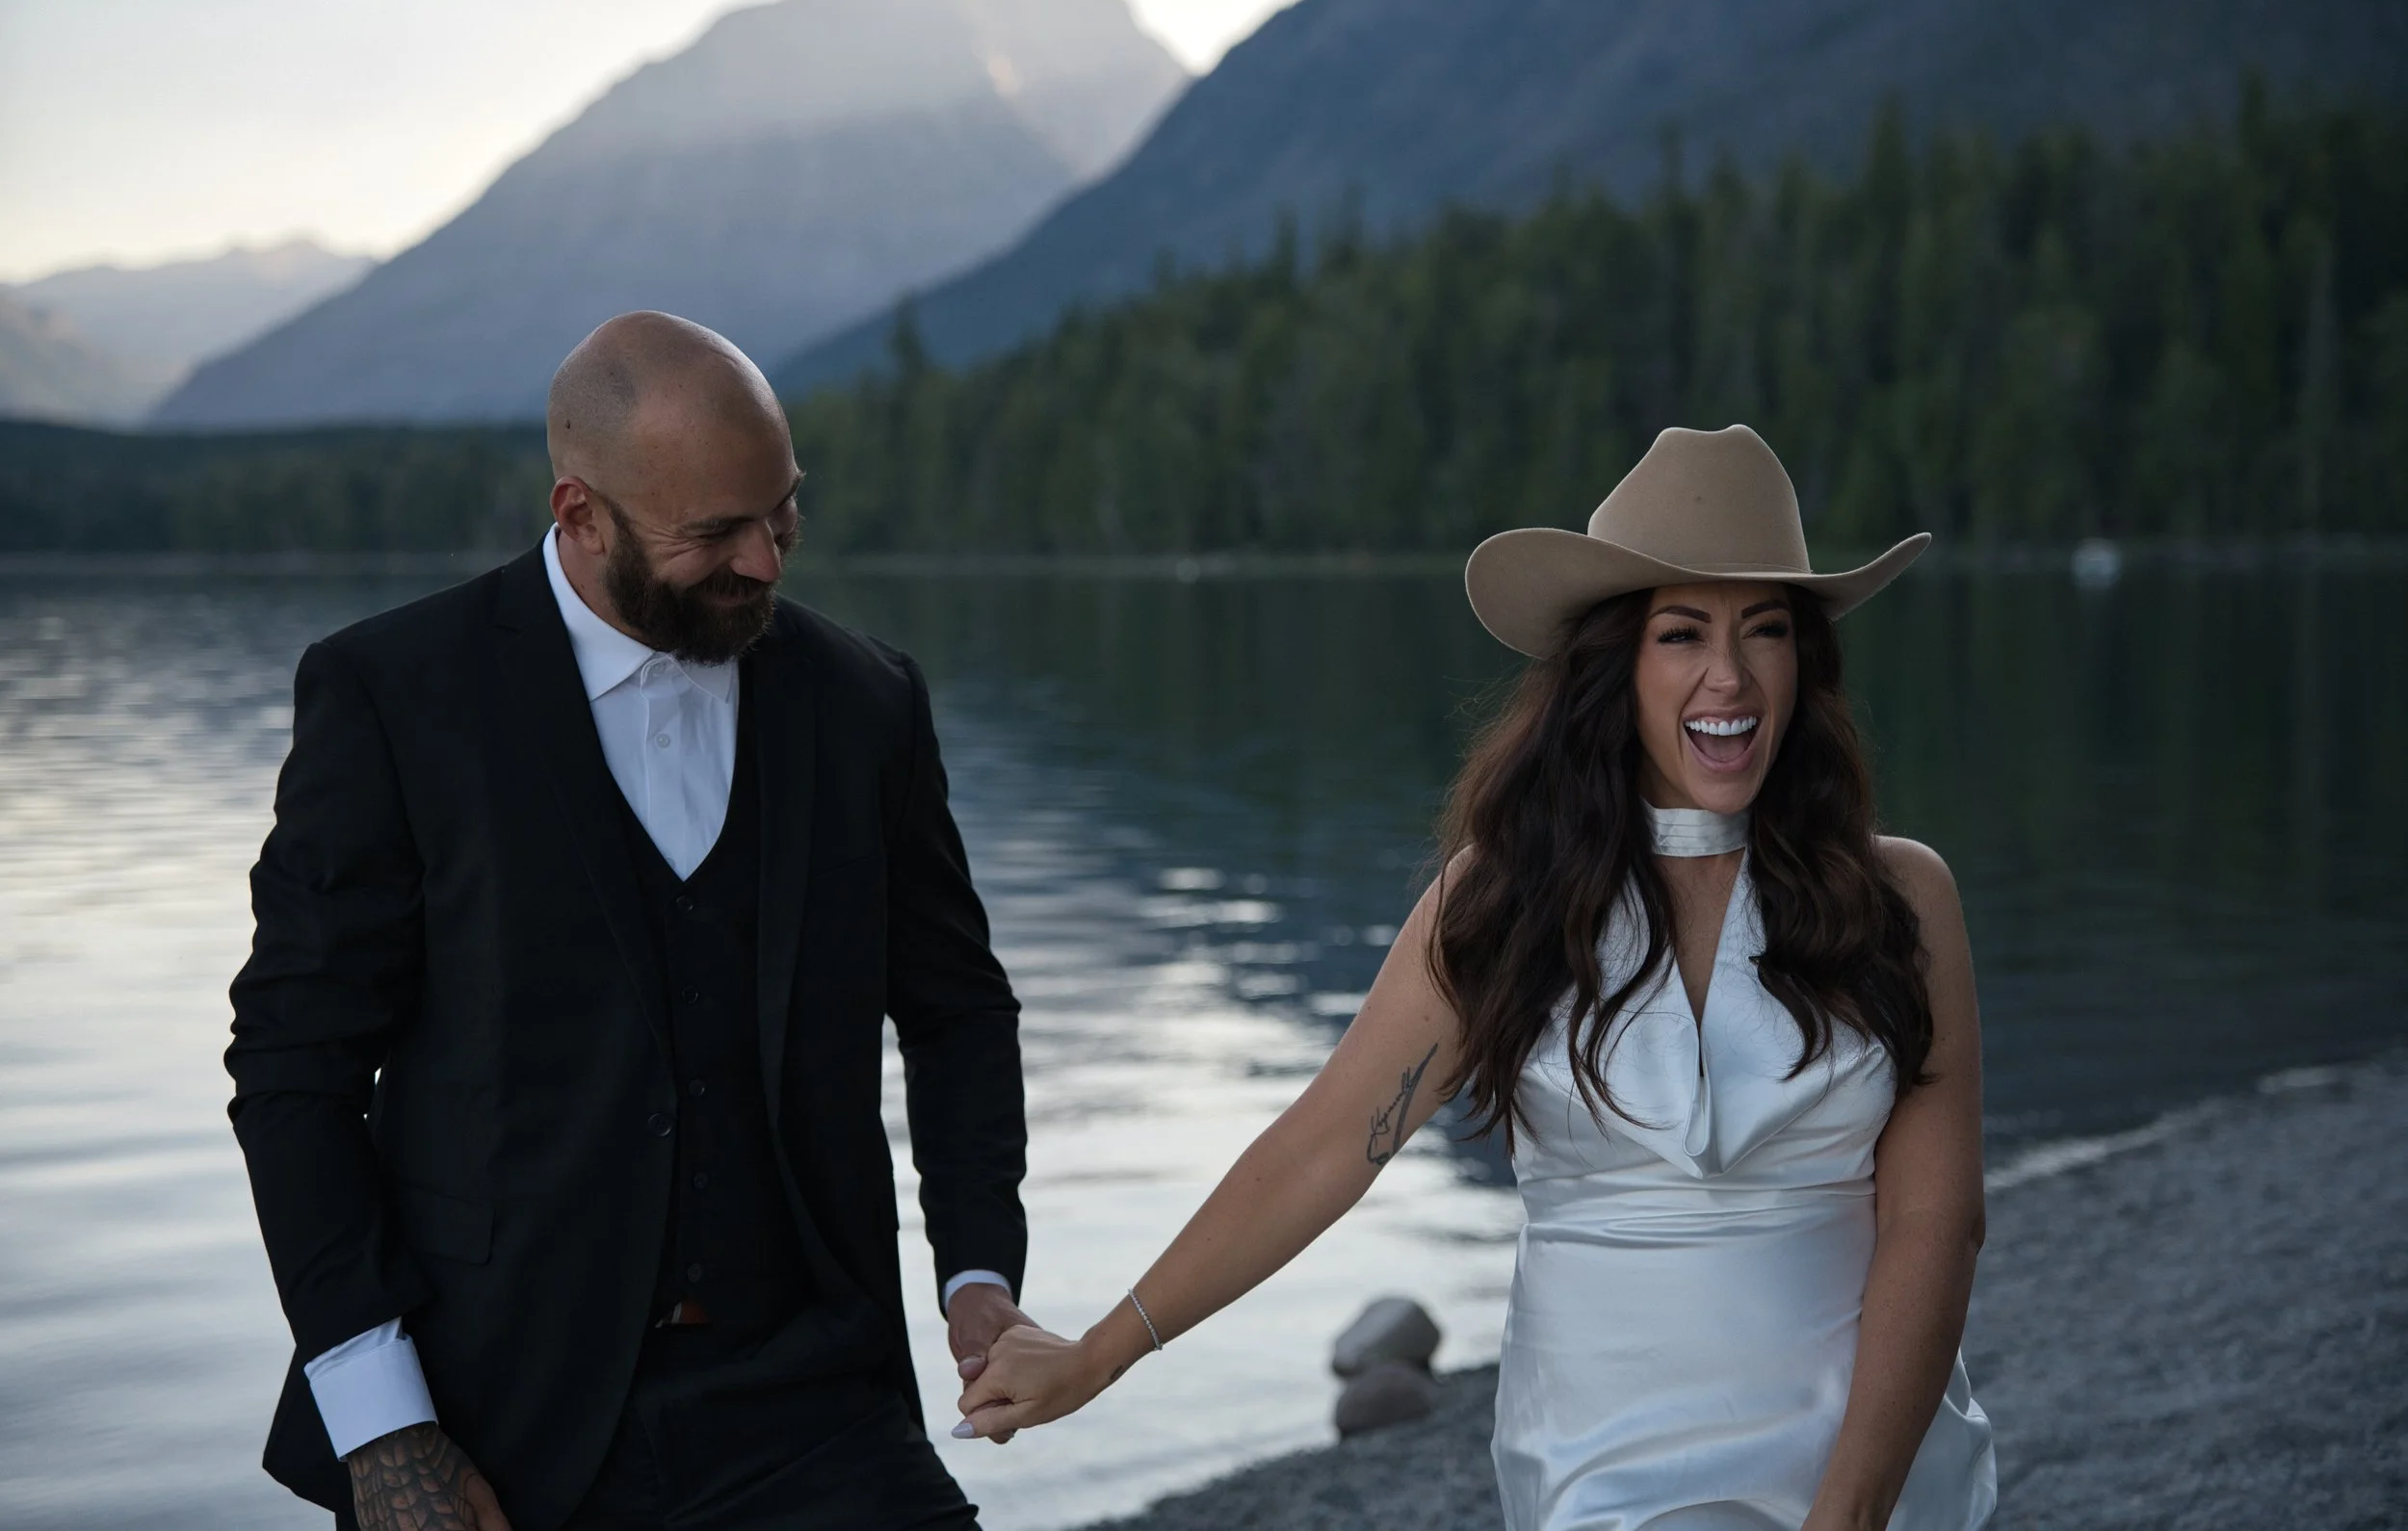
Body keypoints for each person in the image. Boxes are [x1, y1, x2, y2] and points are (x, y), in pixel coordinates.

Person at [955, 425, 1999, 1529]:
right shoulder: (1503, 903)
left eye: (1765, 631)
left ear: (1805, 660)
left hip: (1864, 1451)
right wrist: (1100, 1354)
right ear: (1614, 668)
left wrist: (1849, 1511)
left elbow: (1937, 1223)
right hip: (1610, 1458)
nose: (1727, 676)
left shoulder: (1896, 899)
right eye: (1680, 633)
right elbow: (1321, 1150)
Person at [226, 311, 1032, 1530]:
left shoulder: (866, 702)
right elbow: (294, 1070)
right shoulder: (394, 696)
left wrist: (976, 1267)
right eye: (715, 534)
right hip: (491, 1408)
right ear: (580, 513)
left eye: (784, 512)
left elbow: (956, 1007)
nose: (766, 561)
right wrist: (385, 1426)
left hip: (817, 1395)